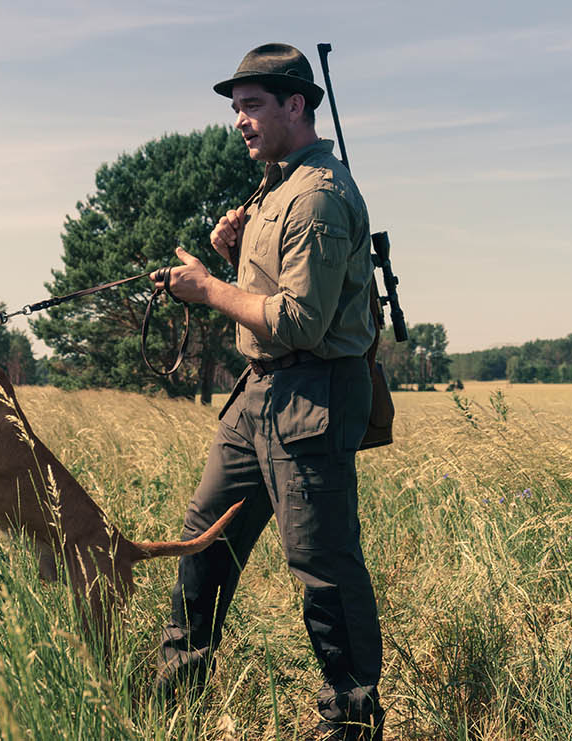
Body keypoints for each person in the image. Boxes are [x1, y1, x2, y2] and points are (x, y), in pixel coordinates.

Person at [150, 42, 385, 741]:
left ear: (296, 105)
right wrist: (235, 251)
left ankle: (350, 721)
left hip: (311, 394)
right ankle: (173, 700)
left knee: (322, 564)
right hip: (257, 394)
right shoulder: (275, 188)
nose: (240, 121)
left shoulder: (316, 196)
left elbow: (301, 321)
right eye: (236, 108)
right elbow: (274, 289)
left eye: (252, 105)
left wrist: (208, 288)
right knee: (203, 541)